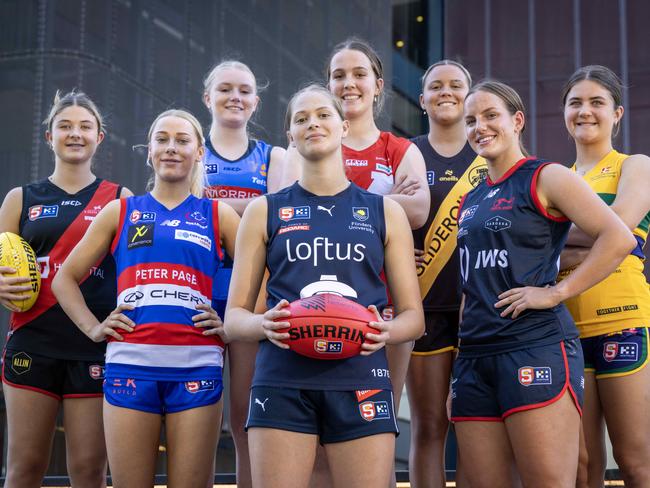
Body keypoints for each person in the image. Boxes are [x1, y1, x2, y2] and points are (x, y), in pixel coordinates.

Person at [224, 84, 424, 488]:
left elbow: (414, 319)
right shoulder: (265, 210)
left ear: (344, 126)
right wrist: (264, 325)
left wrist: (386, 331)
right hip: (282, 377)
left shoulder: (384, 211)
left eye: (322, 115)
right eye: (301, 119)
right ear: (290, 136)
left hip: (361, 376)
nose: (312, 123)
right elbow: (233, 319)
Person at [451, 80, 636, 488]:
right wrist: (461, 359)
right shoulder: (472, 197)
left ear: (517, 121)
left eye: (490, 115)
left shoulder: (546, 175)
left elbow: (619, 238)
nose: (479, 127)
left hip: (534, 346)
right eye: (471, 121)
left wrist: (557, 293)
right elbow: (472, 281)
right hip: (476, 357)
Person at [52, 109, 239, 488]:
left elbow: (265, 279)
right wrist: (94, 327)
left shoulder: (218, 214)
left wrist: (232, 323)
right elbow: (64, 279)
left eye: (183, 140)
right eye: (162, 139)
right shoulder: (121, 211)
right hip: (129, 367)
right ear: (149, 151)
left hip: (198, 367)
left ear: (200, 152)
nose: (172, 148)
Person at [0, 91, 130, 488]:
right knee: (24, 467)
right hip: (31, 341)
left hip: (93, 344)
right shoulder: (20, 198)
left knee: (90, 471)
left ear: (99, 138)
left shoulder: (121, 198)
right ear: (48, 137)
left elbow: (136, 270)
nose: (75, 134)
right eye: (65, 126)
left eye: (85, 126)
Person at [558, 65, 650, 488]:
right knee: (582, 469)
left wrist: (562, 242)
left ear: (617, 114)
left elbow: (620, 232)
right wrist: (604, 235)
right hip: (564, 331)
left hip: (622, 323)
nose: (585, 111)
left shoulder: (635, 166)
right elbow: (610, 235)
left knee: (635, 463)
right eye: (575, 102)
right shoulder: (555, 179)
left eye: (597, 102)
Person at [202, 59, 286, 487]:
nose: (235, 97)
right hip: (197, 292)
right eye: (225, 89)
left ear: (256, 101)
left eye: (244, 90)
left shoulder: (276, 157)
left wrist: (212, 206)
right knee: (196, 418)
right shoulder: (186, 148)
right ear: (208, 98)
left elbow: (280, 220)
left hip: (254, 293)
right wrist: (252, 208)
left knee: (244, 416)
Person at [407, 60, 486, 488]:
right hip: (425, 307)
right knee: (429, 426)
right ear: (422, 100)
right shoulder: (408, 152)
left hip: (480, 308)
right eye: (436, 86)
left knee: (475, 427)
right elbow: (386, 219)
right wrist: (400, 253)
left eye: (456, 85)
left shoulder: (491, 150)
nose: (446, 92)